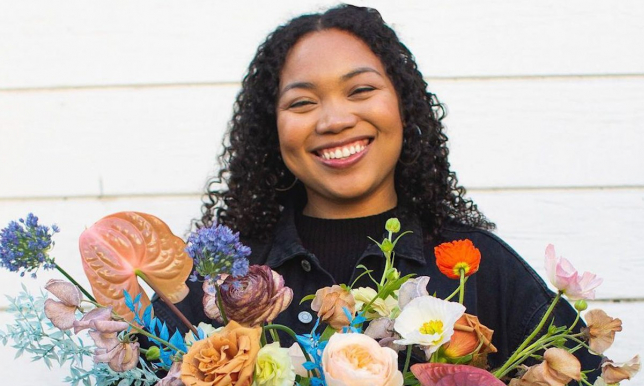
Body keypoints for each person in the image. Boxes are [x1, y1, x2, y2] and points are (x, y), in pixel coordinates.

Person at [153, 4, 599, 379]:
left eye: (361, 90)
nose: (334, 120)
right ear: (271, 129)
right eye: (303, 102)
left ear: (403, 106)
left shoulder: (478, 269)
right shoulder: (211, 281)